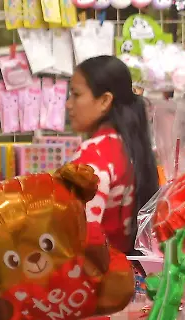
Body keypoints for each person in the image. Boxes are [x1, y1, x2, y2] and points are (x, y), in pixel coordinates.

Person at [65, 55, 160, 253]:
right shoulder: (127, 145)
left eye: (76, 94)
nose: (68, 104)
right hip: (125, 271)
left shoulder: (94, 154)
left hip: (95, 276)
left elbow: (77, 235)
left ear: (104, 101)